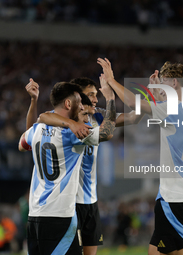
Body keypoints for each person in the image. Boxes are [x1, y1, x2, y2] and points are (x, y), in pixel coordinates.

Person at [98, 58, 183, 255]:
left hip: (175, 197)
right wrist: (159, 94)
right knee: (170, 251)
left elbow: (133, 103)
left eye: (165, 81)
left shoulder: (173, 110)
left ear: (174, 83)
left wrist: (112, 80)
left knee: (159, 252)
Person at [31, 76, 143, 255]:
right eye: (90, 94)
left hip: (89, 198)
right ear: (76, 96)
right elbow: (42, 117)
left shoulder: (95, 116)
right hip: (68, 201)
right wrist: (72, 123)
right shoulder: (58, 120)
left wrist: (148, 98)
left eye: (96, 94)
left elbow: (134, 117)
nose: (95, 98)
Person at [18, 81, 116, 255]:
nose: (82, 106)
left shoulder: (38, 129)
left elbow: (24, 142)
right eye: (79, 102)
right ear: (69, 104)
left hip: (35, 217)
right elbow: (107, 132)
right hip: (60, 217)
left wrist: (33, 101)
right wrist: (110, 100)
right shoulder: (75, 133)